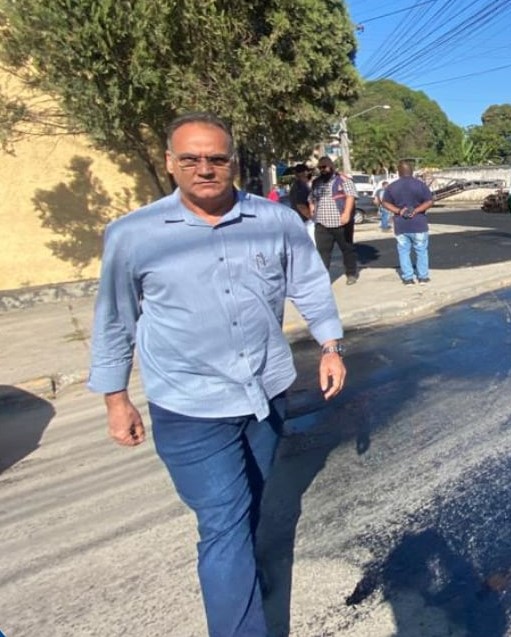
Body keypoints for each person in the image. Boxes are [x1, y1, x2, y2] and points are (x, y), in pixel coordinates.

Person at [87, 112, 347, 637]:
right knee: (224, 522)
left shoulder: (275, 221)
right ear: (170, 163)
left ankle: (241, 578)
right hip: (189, 405)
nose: (204, 169)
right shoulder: (133, 235)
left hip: (266, 393)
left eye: (216, 158)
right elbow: (115, 319)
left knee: (250, 501)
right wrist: (116, 398)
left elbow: (309, 284)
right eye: (190, 159)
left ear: (234, 162)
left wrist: (330, 346)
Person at [381, 159, 435, 284]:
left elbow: (385, 203)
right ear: (411, 171)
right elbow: (429, 201)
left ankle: (408, 278)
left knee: (404, 251)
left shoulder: (392, 187)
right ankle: (423, 277)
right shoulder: (420, 185)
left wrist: (399, 211)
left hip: (401, 225)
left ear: (399, 172)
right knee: (421, 251)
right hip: (419, 224)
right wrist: (416, 210)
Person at [309, 156, 359, 285]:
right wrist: (312, 208)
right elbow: (312, 198)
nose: (322, 170)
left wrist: (346, 214)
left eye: (324, 167)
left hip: (341, 222)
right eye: (320, 168)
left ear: (331, 166)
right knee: (322, 253)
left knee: (347, 249)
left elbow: (351, 197)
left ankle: (351, 273)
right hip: (322, 224)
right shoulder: (316, 182)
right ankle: (322, 279)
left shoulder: (343, 180)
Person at [288, 163, 315, 244]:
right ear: (304, 173)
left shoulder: (298, 186)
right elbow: (301, 205)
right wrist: (312, 218)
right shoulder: (300, 187)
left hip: (301, 221)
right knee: (312, 245)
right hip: (306, 221)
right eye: (308, 171)